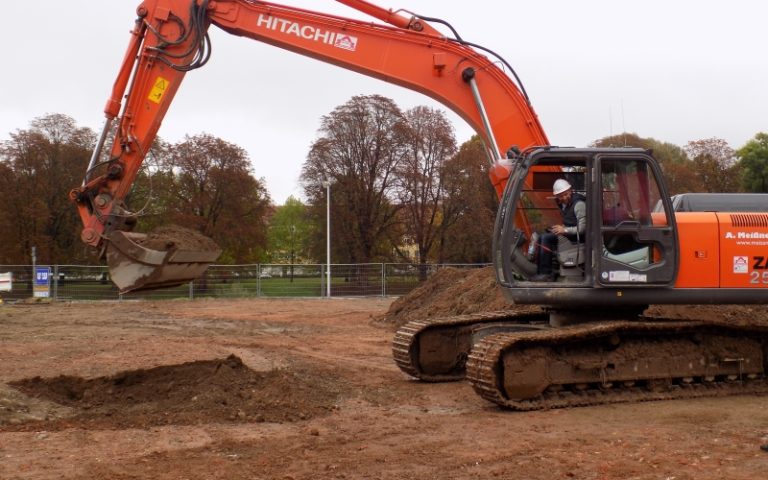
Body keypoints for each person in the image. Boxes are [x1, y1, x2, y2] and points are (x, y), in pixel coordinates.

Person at [532, 179, 586, 281]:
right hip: (570, 233)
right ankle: (540, 271)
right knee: (541, 237)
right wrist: (560, 227)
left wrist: (564, 230)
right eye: (561, 196)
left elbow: (583, 228)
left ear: (570, 190)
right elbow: (571, 221)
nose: (564, 197)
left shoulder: (579, 204)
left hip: (578, 237)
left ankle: (545, 273)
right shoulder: (565, 204)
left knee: (546, 238)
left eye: (566, 194)